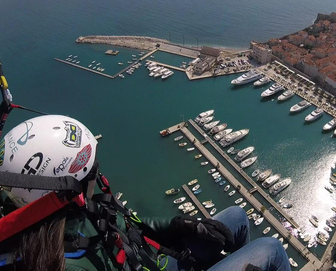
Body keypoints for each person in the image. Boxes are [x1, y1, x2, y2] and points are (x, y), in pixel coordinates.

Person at [0, 115, 291, 271]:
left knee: (238, 217)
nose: (99, 175)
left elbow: (130, 224)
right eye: (90, 171)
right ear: (61, 191)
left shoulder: (80, 210)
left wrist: (182, 225)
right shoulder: (64, 260)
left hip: (153, 261)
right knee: (272, 251)